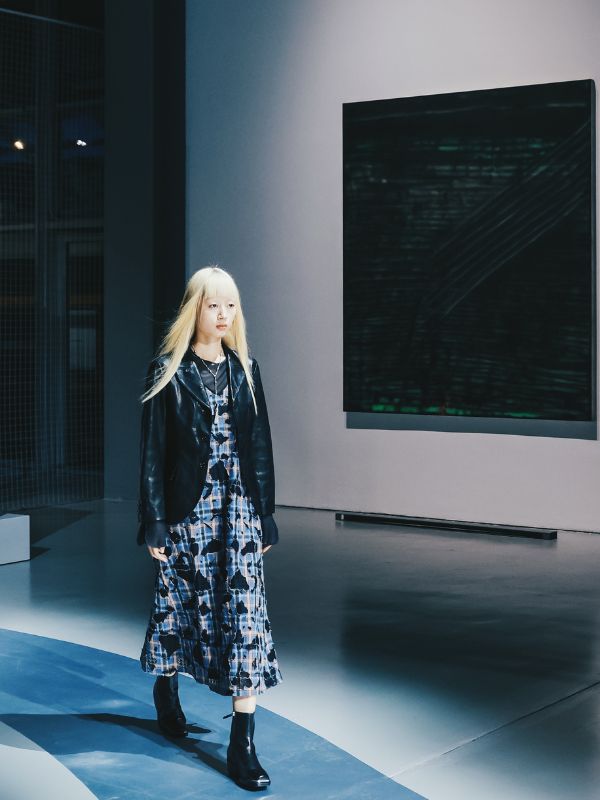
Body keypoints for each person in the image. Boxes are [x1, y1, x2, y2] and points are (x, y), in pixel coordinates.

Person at [136, 265, 283, 791]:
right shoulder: (168, 370)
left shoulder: (246, 369)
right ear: (194, 308)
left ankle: (242, 742)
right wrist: (153, 519)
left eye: (231, 305)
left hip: (238, 508)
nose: (223, 314)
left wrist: (266, 512)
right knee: (179, 606)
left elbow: (260, 443)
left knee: (246, 615)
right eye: (213, 304)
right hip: (188, 510)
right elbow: (153, 451)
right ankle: (167, 686)